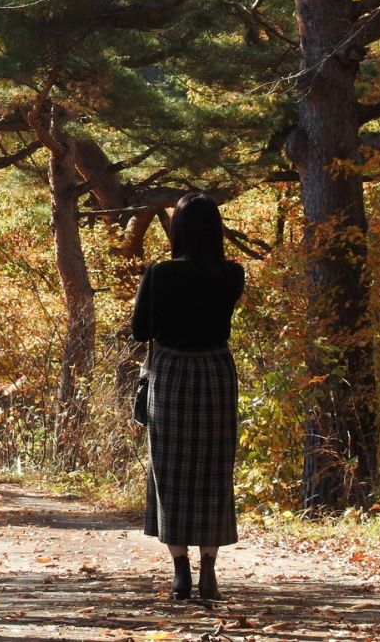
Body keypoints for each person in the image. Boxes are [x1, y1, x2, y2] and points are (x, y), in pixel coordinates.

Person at [131, 193, 244, 601]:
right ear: (215, 231)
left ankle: (181, 570)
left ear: (177, 229)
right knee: (215, 468)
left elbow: (141, 331)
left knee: (170, 470)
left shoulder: (160, 274)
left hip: (173, 375)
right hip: (216, 373)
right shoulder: (234, 274)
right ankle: (209, 569)